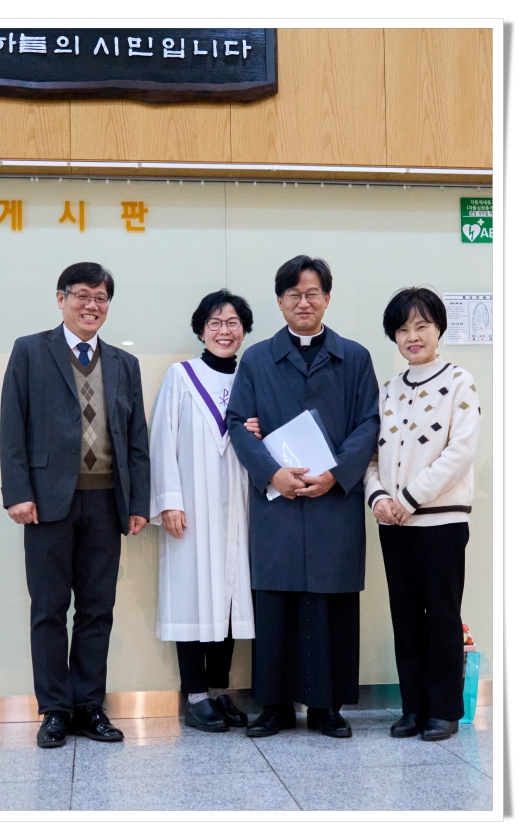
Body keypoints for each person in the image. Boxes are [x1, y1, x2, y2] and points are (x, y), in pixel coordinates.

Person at [226, 255, 380, 738]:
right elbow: (237, 423)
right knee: (276, 603)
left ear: (327, 298)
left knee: (330, 603)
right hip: (279, 504)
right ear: (280, 302)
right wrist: (272, 474)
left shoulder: (354, 357)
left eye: (313, 293)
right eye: (293, 294)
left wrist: (337, 473)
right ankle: (274, 706)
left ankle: (326, 707)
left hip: (335, 502)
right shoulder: (257, 359)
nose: (303, 302)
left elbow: (369, 422)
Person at [0, 262, 150, 748]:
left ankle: (89, 706)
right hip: (46, 502)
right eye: (82, 295)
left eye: (101, 297)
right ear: (61, 298)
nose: (91, 305)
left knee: (96, 609)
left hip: (107, 501)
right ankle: (54, 711)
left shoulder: (124, 364)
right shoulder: (30, 351)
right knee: (48, 608)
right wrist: (17, 492)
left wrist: (138, 501)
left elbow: (136, 440)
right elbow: (12, 426)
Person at [364, 287, 481, 742]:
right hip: (393, 523)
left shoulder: (460, 382)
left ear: (439, 330)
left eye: (422, 326)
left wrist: (409, 498)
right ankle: (412, 708)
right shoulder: (389, 390)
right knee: (406, 616)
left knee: (443, 615)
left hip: (440, 521)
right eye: (403, 329)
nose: (412, 336)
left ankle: (444, 710)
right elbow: (372, 456)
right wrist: (378, 498)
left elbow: (460, 453)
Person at [149, 290, 255, 732]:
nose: (224, 331)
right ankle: (195, 696)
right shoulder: (181, 376)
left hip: (239, 509)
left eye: (232, 323)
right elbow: (162, 440)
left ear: (244, 331)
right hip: (191, 509)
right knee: (193, 596)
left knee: (228, 598)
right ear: (201, 330)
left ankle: (219, 691)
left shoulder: (252, 377)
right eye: (215, 323)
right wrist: (169, 501)